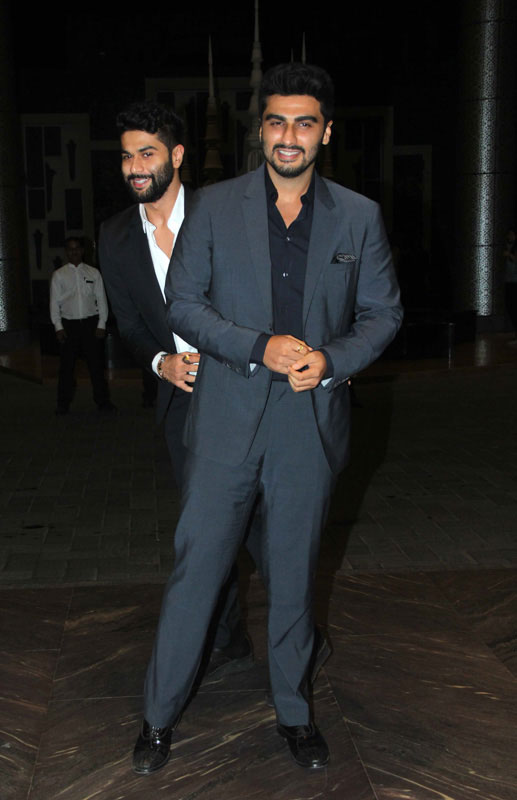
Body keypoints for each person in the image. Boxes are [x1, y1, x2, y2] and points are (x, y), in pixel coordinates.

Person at [132, 63, 402, 775]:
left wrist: (334, 358)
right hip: (225, 416)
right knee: (198, 571)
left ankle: (294, 712)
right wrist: (258, 347)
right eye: (277, 120)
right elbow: (184, 304)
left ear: (325, 132)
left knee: (293, 575)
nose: (289, 135)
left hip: (307, 422)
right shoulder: (214, 207)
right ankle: (157, 718)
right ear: (261, 129)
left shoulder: (358, 216)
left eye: (304, 122)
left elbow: (382, 314)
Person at [98, 101, 255, 680]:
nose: (135, 167)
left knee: (262, 524)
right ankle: (226, 635)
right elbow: (130, 324)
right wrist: (160, 361)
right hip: (181, 401)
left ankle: (288, 633)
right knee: (205, 525)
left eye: (147, 153)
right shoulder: (115, 236)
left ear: (178, 155)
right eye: (126, 157)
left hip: (243, 389)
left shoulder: (223, 215)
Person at [50, 237, 114, 414]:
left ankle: (103, 402)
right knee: (66, 367)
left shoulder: (93, 273)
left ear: (82, 250)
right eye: (70, 249)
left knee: (96, 366)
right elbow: (54, 303)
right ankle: (63, 403)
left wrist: (101, 323)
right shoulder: (59, 275)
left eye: (77, 248)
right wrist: (58, 326)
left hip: (90, 324)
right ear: (66, 252)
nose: (74, 252)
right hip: (68, 325)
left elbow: (101, 299)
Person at [503, 228, 517, 342]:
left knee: (514, 306)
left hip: (515, 281)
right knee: (510, 305)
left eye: (512, 234)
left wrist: (509, 255)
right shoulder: (507, 246)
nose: (510, 236)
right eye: (509, 234)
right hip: (509, 280)